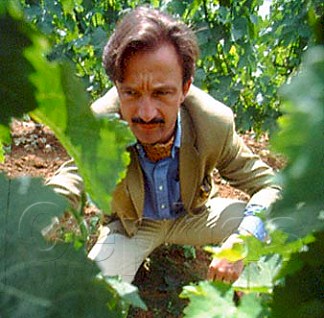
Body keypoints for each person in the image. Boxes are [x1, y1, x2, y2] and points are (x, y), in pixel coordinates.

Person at [48, 7, 280, 284]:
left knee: (274, 227)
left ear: (185, 88)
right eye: (131, 93)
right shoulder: (101, 122)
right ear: (116, 87)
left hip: (194, 217)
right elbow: (70, 181)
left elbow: (273, 186)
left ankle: (259, 299)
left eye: (162, 93)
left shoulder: (212, 123)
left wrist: (242, 243)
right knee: (93, 299)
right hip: (132, 227)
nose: (146, 113)